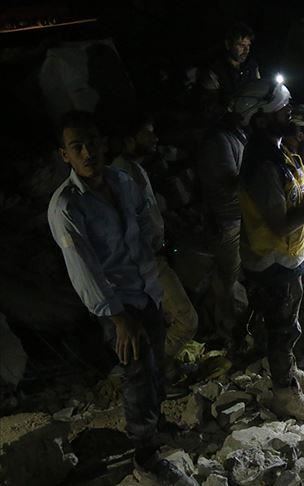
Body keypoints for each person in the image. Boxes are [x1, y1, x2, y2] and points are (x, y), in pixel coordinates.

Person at [47, 111, 195, 485]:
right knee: (137, 374)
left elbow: (145, 224)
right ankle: (144, 457)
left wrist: (154, 278)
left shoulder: (121, 181)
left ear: (103, 143)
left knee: (155, 364)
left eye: (92, 143)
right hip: (117, 303)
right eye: (76, 147)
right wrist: (117, 318)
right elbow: (84, 270)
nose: (87, 152)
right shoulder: (66, 206)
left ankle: (155, 427)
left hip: (146, 289)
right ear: (65, 155)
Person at [238, 103, 304, 419]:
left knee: (297, 319)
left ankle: (294, 367)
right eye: (282, 112)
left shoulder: (283, 156)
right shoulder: (265, 164)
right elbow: (280, 224)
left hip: (290, 255)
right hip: (271, 261)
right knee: (281, 329)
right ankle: (285, 393)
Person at [198, 79, 289, 342]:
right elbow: (228, 184)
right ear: (257, 116)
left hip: (244, 218)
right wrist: (262, 174)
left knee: (243, 275)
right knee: (228, 279)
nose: (286, 114)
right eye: (279, 111)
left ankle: (242, 325)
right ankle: (230, 334)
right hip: (228, 221)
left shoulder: (244, 135)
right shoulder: (220, 141)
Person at [112, 114, 198, 374]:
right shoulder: (121, 174)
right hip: (145, 263)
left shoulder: (134, 169)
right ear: (129, 139)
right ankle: (154, 371)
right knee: (186, 321)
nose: (155, 137)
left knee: (165, 321)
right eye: (147, 132)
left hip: (151, 258)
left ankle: (157, 372)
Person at [199, 22, 261, 118]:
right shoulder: (215, 70)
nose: (246, 50)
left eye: (248, 45)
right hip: (226, 122)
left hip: (250, 118)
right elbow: (208, 107)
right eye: (241, 45)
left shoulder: (252, 66)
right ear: (228, 44)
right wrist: (228, 111)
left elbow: (259, 89)